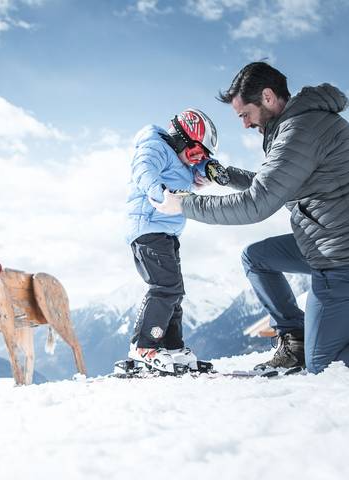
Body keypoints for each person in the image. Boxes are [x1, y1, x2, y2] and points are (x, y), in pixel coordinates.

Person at [150, 62, 349, 374]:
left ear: (267, 97)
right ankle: (296, 338)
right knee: (257, 258)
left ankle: (318, 346)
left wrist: (185, 204)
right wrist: (225, 176)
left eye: (245, 114)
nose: (243, 124)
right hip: (325, 240)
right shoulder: (302, 123)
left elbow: (258, 203)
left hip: (338, 258)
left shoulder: (299, 131)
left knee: (325, 367)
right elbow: (277, 182)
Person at [126, 108, 227, 373]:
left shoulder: (180, 159)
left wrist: (208, 169)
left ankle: (171, 346)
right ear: (181, 138)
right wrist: (160, 193)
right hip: (148, 228)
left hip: (166, 232)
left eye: (201, 156)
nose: (195, 160)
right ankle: (143, 346)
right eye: (195, 153)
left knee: (175, 292)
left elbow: (192, 176)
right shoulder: (155, 146)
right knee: (165, 288)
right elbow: (143, 170)